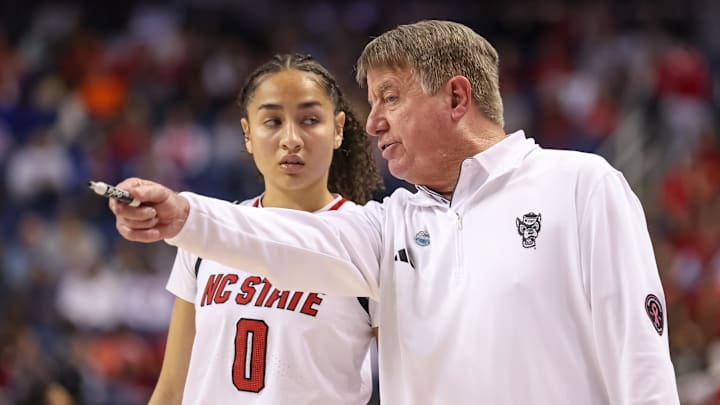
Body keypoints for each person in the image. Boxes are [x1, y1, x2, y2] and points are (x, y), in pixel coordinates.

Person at [110, 20, 681, 404]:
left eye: (390, 97)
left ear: (457, 99)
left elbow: (641, 359)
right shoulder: (393, 222)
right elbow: (289, 240)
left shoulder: (580, 185)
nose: (373, 121)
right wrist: (183, 214)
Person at [146, 54, 383, 404]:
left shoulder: (370, 241)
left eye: (310, 120)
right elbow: (170, 391)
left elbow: (410, 388)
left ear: (337, 129)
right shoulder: (207, 234)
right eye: (272, 121)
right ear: (247, 134)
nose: (291, 139)